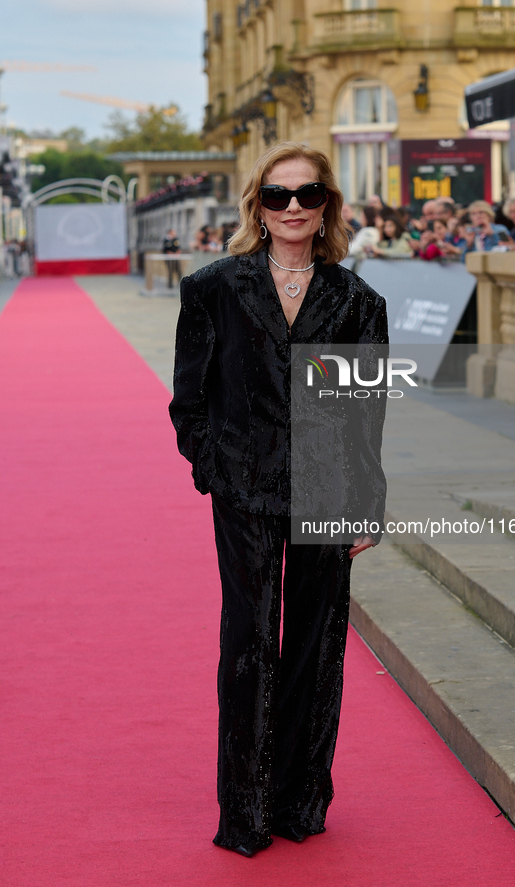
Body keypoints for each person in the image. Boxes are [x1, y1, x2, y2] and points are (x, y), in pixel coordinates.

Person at [169, 141, 388, 859]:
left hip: (327, 485)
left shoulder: (357, 301)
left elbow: (363, 416)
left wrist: (363, 500)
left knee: (316, 648)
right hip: (245, 486)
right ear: (256, 207)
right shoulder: (213, 287)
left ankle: (298, 799)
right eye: (277, 194)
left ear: (326, 205)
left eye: (307, 193)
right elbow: (189, 400)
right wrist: (215, 469)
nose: (292, 207)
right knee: (250, 642)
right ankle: (246, 808)